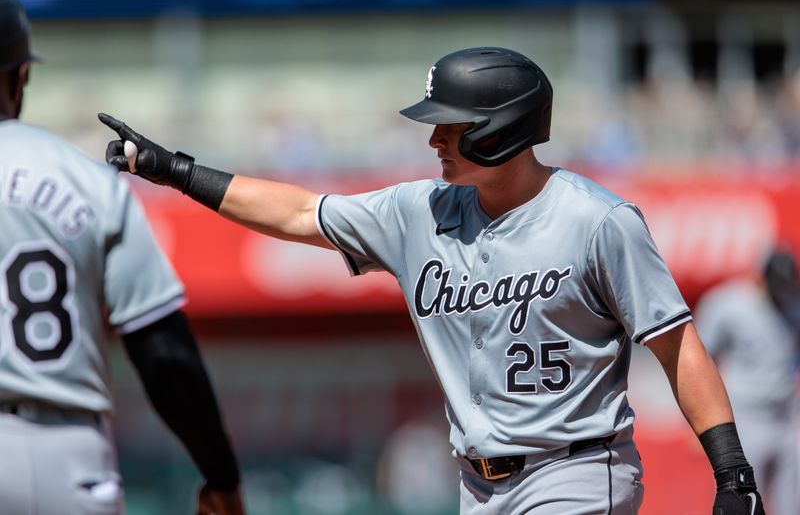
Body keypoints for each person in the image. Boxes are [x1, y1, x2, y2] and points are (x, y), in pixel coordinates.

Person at [99, 46, 764, 514]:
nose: (434, 139)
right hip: (477, 486)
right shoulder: (417, 212)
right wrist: (177, 170)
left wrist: (731, 469)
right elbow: (301, 211)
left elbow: (677, 346)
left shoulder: (598, 221)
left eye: (451, 124)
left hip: (579, 471)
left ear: (501, 129)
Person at [0, 0, 244, 515]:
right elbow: (165, 354)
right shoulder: (83, 178)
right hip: (60, 456)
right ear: (19, 77)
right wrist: (220, 476)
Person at [695, 249, 800, 514]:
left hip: (787, 415)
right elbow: (701, 360)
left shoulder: (794, 304)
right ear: (761, 278)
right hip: (745, 417)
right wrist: (702, 424)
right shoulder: (729, 304)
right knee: (747, 501)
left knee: (792, 503)